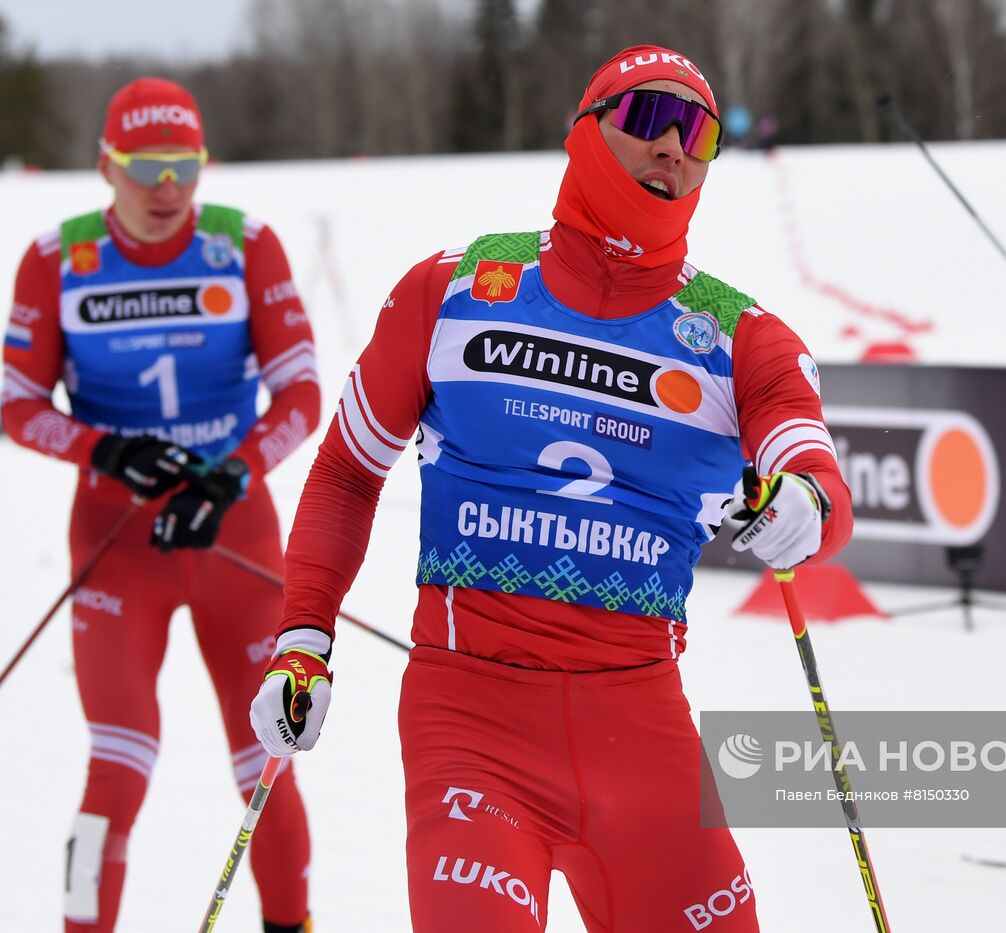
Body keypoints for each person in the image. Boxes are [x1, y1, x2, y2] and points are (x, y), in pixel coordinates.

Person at [247, 45, 852, 931]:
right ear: (585, 131)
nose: (673, 146)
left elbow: (812, 464)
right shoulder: (453, 290)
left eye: (699, 132)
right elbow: (345, 469)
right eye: (648, 118)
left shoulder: (737, 336)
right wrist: (303, 640)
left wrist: (808, 501)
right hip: (472, 720)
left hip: (642, 729)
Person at [1, 77, 320, 932]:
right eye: (146, 167)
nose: (167, 188)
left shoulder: (244, 244)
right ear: (107, 166)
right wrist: (107, 448)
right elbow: (15, 402)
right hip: (118, 544)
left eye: (185, 165)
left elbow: (301, 394)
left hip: (236, 535)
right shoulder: (56, 258)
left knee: (266, 765)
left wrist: (230, 473)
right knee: (116, 767)